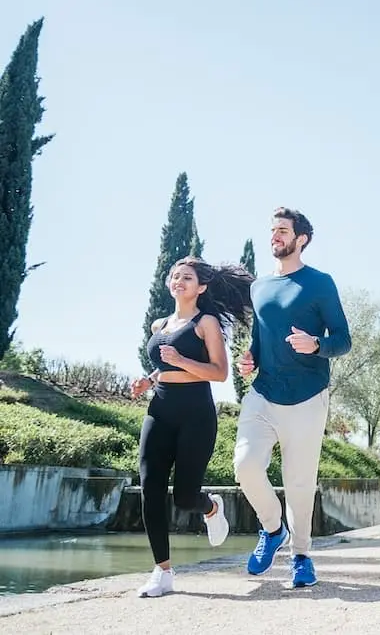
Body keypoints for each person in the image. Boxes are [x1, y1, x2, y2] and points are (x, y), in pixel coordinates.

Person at [234, 207, 352, 588]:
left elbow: (343, 340)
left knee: (299, 483)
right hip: (264, 392)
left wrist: (316, 344)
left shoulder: (320, 283)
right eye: (272, 230)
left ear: (301, 239)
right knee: (245, 466)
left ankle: (301, 554)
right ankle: (272, 529)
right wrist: (250, 358)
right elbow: (258, 338)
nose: (275, 236)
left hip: (307, 395)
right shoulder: (259, 287)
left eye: (282, 230)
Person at [131, 256, 255, 598]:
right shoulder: (159, 325)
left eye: (187, 277)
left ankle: (211, 507)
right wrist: (149, 380)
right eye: (175, 276)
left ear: (201, 287)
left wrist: (182, 361)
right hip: (160, 409)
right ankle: (163, 571)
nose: (178, 281)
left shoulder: (206, 323)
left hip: (196, 414)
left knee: (185, 497)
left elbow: (219, 372)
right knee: (150, 485)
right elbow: (164, 367)